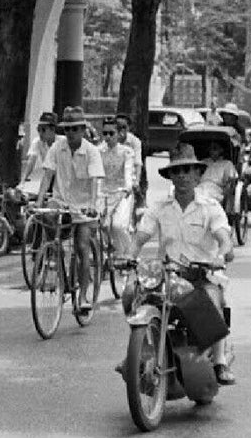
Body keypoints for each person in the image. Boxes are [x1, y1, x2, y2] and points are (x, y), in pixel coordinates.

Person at [128, 143, 236, 385]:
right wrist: (129, 254)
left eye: (187, 170)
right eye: (177, 171)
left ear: (198, 174)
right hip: (166, 276)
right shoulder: (158, 207)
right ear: (170, 176)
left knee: (212, 301)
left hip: (201, 276)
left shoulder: (211, 207)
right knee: (131, 295)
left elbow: (224, 239)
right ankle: (137, 353)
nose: (183, 176)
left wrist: (222, 254)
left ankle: (219, 361)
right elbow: (141, 236)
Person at [38, 105, 106, 318]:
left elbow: (95, 180)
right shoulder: (57, 148)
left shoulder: (92, 151)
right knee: (46, 218)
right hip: (61, 201)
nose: (70, 133)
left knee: (82, 246)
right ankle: (53, 257)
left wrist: (93, 205)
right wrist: (39, 201)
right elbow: (47, 176)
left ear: (83, 129)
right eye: (67, 129)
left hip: (84, 204)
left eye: (75, 129)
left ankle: (84, 295)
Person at [99, 117, 137, 261]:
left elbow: (128, 171)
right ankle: (104, 256)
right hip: (102, 193)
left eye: (111, 133)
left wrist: (128, 187)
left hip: (121, 193)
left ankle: (129, 254)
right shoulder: (98, 151)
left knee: (118, 226)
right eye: (105, 133)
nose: (108, 137)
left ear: (118, 134)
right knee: (100, 226)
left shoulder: (126, 152)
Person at [195, 136, 239, 210]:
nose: (212, 151)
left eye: (215, 149)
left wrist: (229, 186)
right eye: (210, 149)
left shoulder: (227, 163)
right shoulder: (203, 162)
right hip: (200, 186)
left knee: (206, 198)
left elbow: (232, 178)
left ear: (221, 150)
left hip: (216, 188)